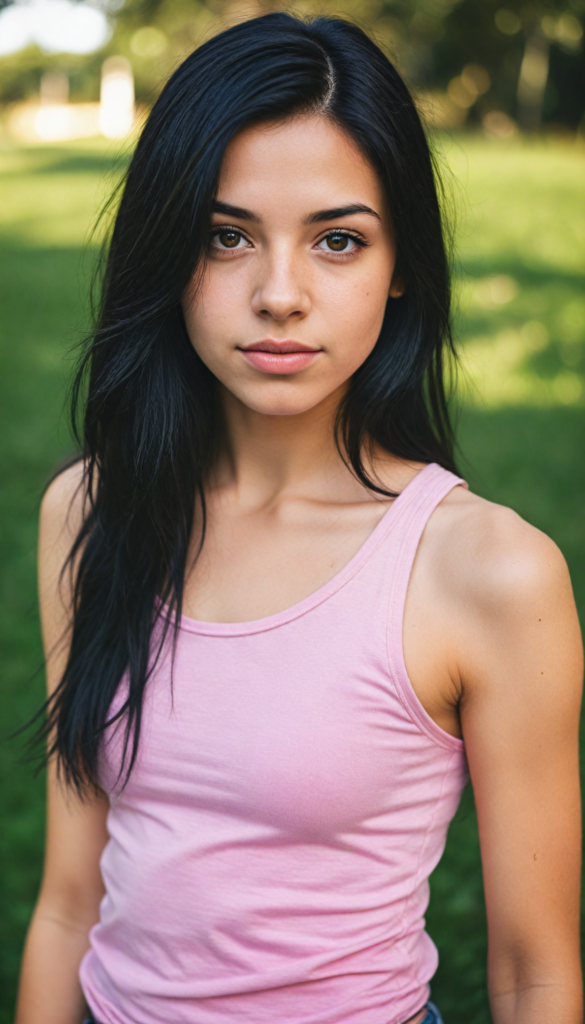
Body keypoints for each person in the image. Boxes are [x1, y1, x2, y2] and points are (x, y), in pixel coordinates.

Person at [15, 12, 582, 1024]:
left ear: (400, 264)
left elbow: (535, 969)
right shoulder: (91, 510)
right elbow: (67, 903)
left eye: (337, 240)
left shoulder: (487, 571)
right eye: (226, 236)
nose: (280, 294)